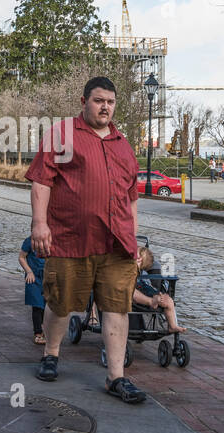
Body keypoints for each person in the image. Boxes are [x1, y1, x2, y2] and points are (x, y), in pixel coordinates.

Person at [27, 76, 147, 404]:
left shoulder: (123, 143)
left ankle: (116, 377)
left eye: (110, 101)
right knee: (60, 301)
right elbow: (41, 181)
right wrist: (40, 224)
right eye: (98, 100)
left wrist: (133, 241)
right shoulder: (63, 134)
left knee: (117, 307)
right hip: (69, 240)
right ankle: (51, 354)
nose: (104, 106)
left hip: (116, 245)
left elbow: (132, 198)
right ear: (84, 102)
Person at [133, 248, 186, 335]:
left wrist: (157, 295)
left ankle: (172, 326)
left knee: (168, 301)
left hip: (142, 298)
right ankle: (154, 300)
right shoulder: (143, 274)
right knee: (132, 291)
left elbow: (148, 285)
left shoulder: (139, 273)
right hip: (143, 298)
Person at [18, 236, 47, 346]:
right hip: (34, 277)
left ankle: (45, 329)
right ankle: (38, 333)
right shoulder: (29, 241)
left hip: (48, 276)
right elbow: (21, 257)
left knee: (46, 304)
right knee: (37, 305)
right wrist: (29, 271)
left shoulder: (51, 240)